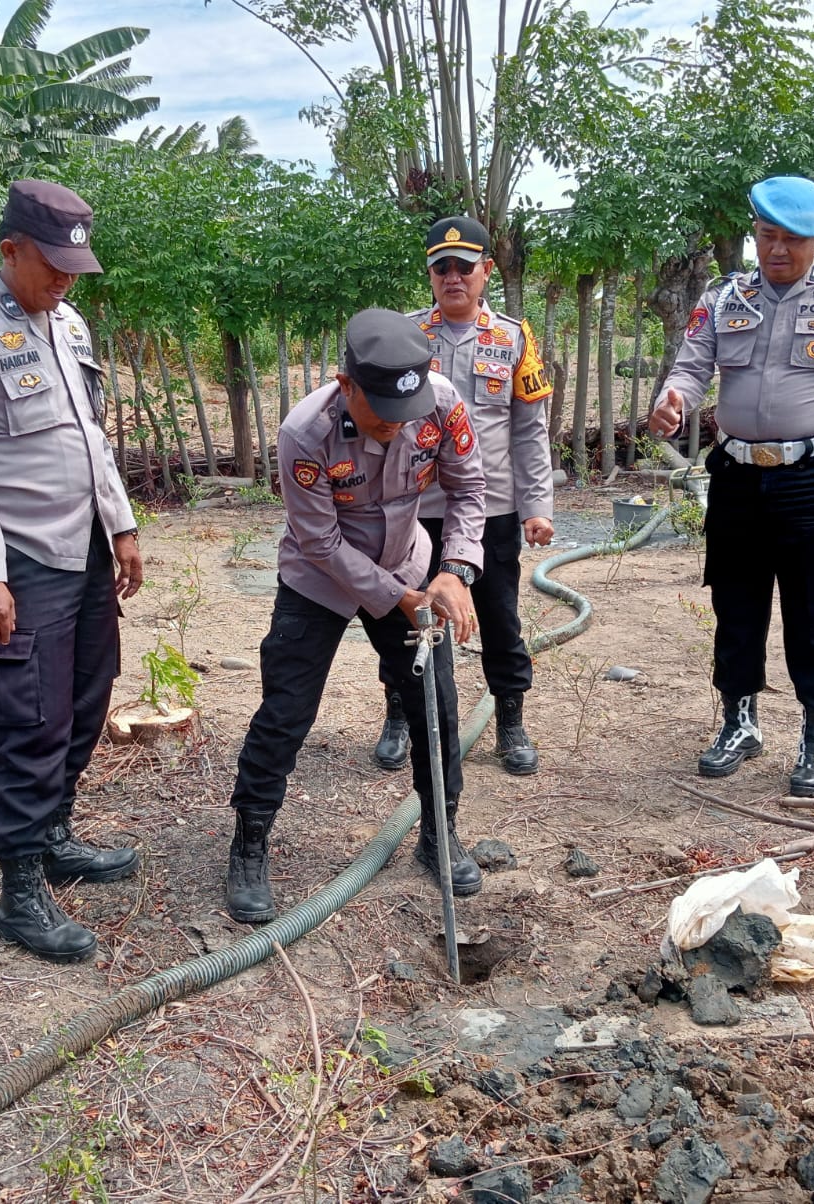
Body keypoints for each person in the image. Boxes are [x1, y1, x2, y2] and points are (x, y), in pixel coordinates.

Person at [0, 179, 143, 965]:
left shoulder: (69, 323)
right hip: (19, 558)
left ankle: (53, 837)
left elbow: (91, 437)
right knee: (30, 717)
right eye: (51, 264)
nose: (63, 280)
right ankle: (19, 891)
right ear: (9, 249)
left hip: (82, 545)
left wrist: (121, 525)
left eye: (74, 266)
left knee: (87, 698)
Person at [649, 175, 814, 798]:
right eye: (767, 236)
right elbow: (691, 364)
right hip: (737, 476)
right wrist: (674, 396)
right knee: (735, 605)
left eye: (792, 240)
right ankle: (739, 722)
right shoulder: (722, 298)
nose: (776, 250)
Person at [224, 308, 487, 924]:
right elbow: (320, 543)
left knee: (437, 706)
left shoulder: (440, 404)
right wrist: (400, 599)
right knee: (286, 710)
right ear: (347, 386)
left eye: (407, 411)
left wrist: (454, 569)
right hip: (320, 579)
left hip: (410, 562)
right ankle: (250, 840)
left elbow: (470, 489)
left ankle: (438, 832)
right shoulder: (304, 433)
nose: (397, 427)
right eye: (382, 414)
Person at [370, 216, 556, 777]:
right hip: (415, 507)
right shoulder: (403, 337)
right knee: (404, 613)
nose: (453, 277)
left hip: (490, 508)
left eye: (464, 266)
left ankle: (510, 718)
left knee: (500, 617)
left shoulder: (514, 338)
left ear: (485, 271)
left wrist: (538, 505)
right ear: (430, 274)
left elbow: (529, 430)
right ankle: (400, 712)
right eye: (441, 267)